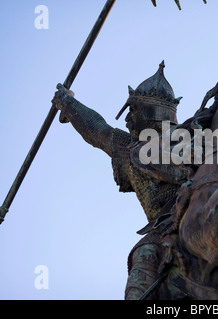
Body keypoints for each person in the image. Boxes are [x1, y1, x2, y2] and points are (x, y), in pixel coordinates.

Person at [52, 61, 182, 299]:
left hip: (195, 215)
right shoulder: (127, 146)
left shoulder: (186, 141)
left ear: (151, 114)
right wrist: (68, 103)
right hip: (160, 234)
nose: (128, 120)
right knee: (143, 260)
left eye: (133, 112)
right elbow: (97, 129)